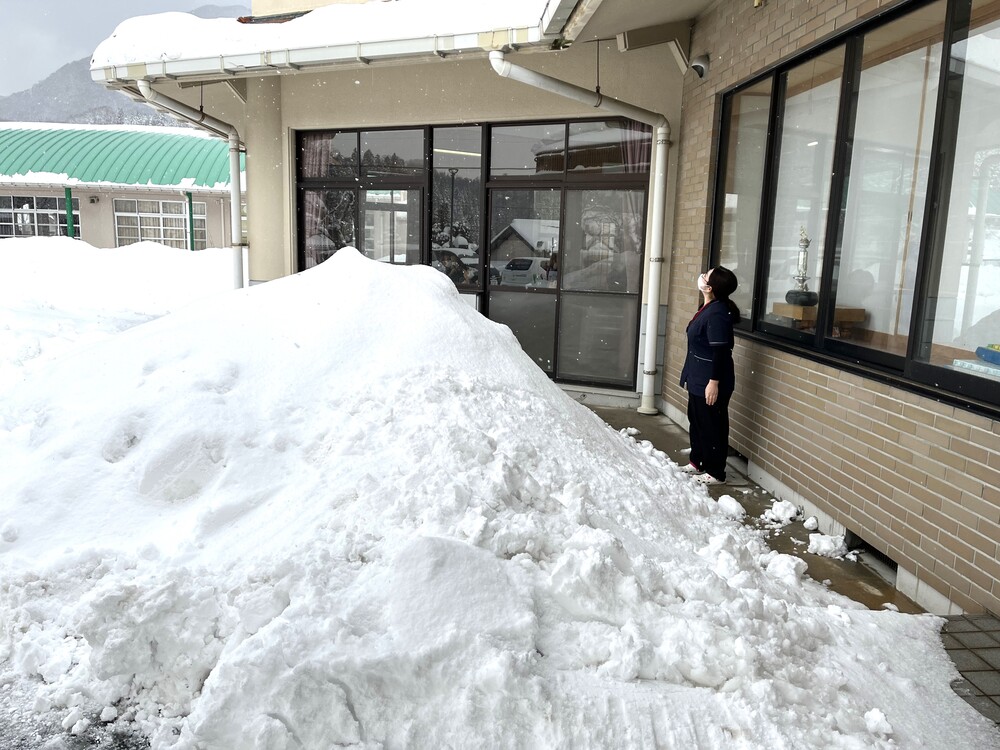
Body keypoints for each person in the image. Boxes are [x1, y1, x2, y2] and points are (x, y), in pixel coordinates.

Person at [678, 266, 741, 485]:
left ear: (709, 287)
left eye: (705, 275)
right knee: (696, 420)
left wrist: (714, 382)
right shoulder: (708, 307)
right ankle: (698, 461)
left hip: (711, 379)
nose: (702, 275)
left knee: (713, 425)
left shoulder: (718, 314)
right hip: (697, 375)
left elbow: (721, 351)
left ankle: (715, 472)